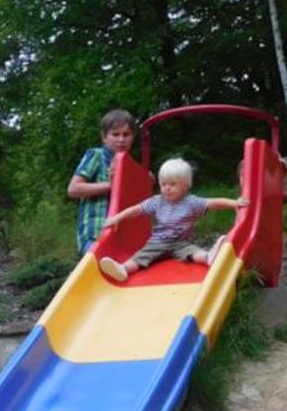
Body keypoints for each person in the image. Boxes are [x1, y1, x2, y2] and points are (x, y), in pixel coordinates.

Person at [99, 156, 248, 282]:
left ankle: (209, 257)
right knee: (142, 255)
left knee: (192, 252)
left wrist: (234, 203)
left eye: (172, 184)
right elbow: (136, 210)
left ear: (186, 186)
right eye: (163, 184)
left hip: (180, 243)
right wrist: (117, 217)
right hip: (157, 242)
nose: (167, 188)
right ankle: (123, 269)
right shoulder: (157, 201)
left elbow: (214, 203)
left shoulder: (191, 202)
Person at [67, 108, 139, 255]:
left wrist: (143, 182)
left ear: (133, 137)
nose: (121, 139)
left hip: (119, 238)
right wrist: (112, 185)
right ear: (104, 137)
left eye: (126, 134)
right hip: (94, 234)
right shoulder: (96, 155)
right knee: (99, 262)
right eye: (115, 134)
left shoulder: (130, 166)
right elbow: (73, 189)